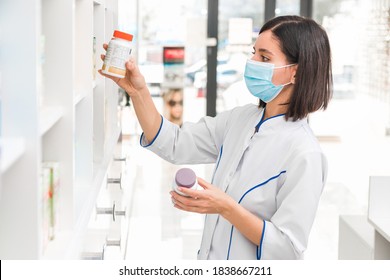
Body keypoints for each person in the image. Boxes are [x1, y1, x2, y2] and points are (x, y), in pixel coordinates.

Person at [99, 15, 332, 260]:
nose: (251, 62)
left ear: (295, 72)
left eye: (264, 57)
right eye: (254, 53)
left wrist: (226, 207)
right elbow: (175, 143)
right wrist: (138, 92)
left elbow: (288, 249)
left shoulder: (305, 154)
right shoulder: (240, 120)